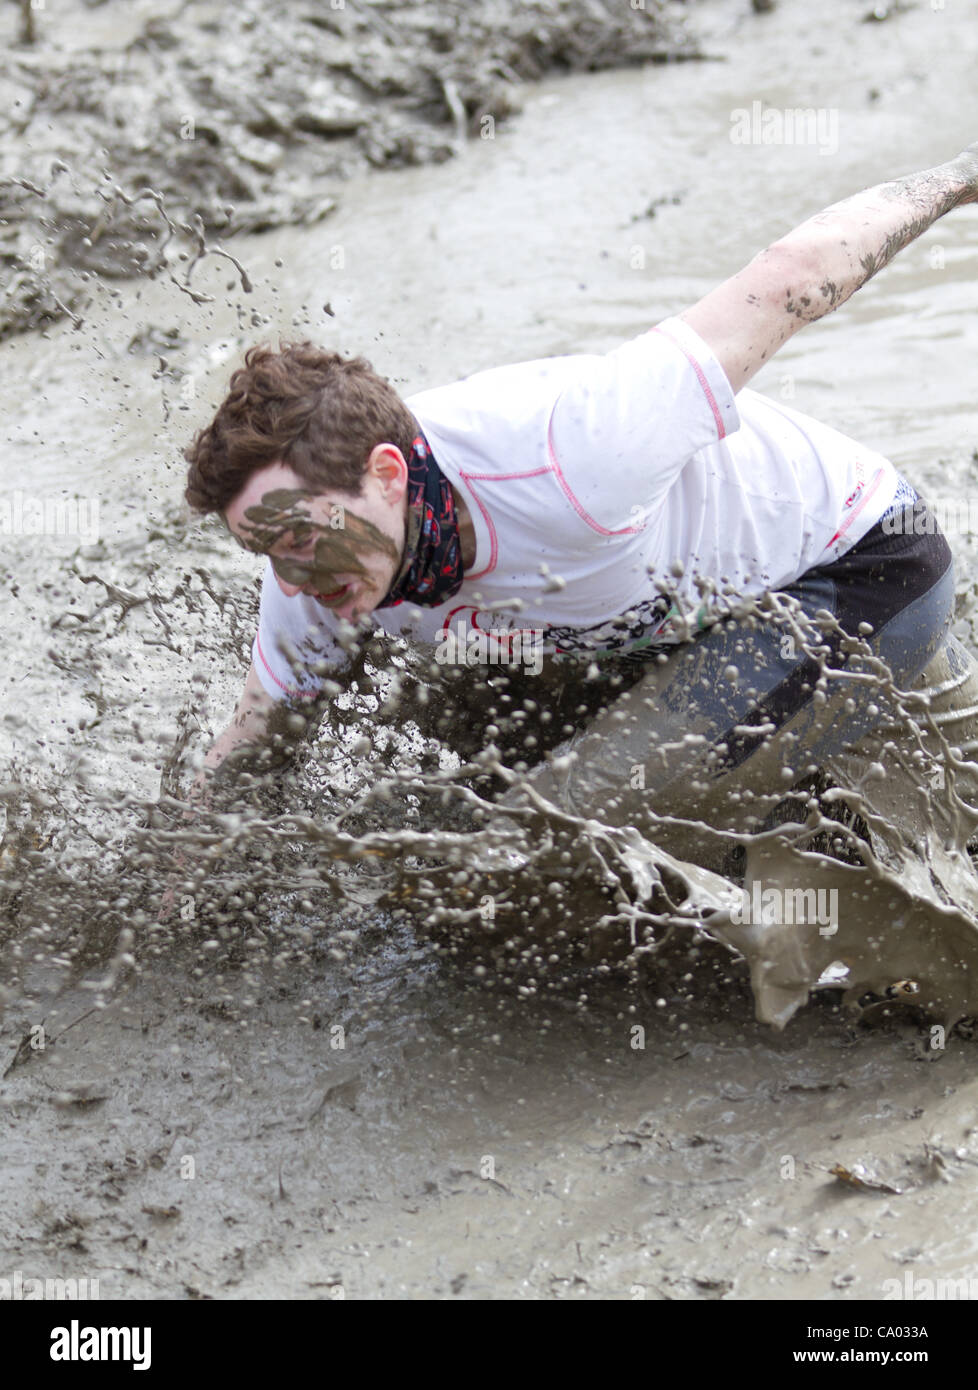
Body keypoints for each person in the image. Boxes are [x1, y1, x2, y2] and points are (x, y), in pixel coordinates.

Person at [178, 145, 978, 859]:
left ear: (387, 473)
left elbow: (792, 277)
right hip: (687, 612)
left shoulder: (576, 452)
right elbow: (252, 749)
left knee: (547, 848)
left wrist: (959, 177)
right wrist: (163, 900)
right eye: (264, 552)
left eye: (296, 540)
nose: (288, 582)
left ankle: (803, 916)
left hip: (861, 572)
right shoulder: (322, 578)